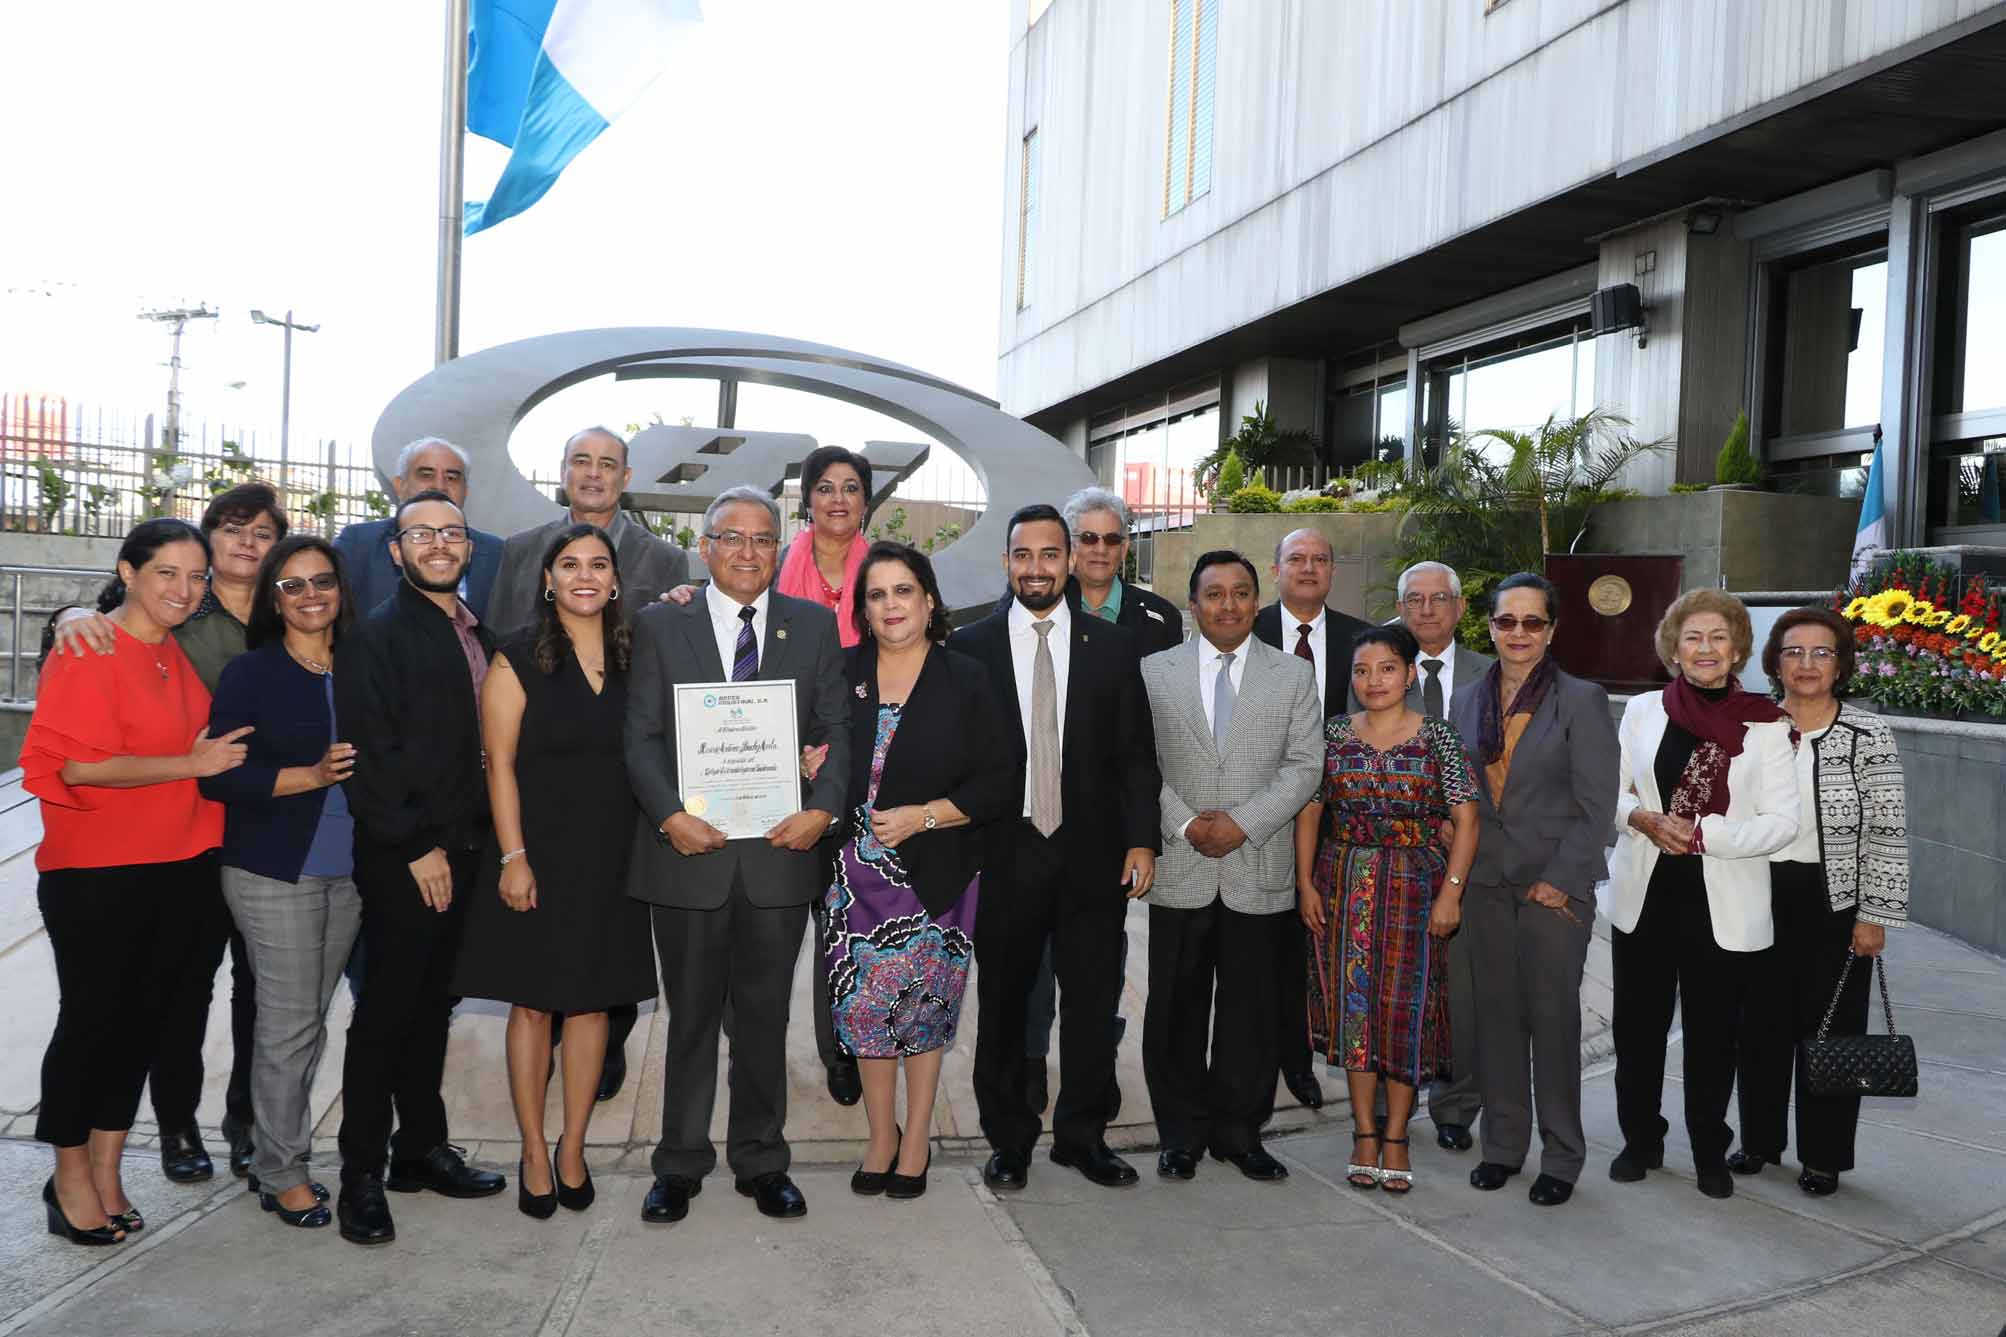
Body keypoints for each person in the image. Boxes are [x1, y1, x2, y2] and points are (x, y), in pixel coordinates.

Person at [44, 482, 289, 1183]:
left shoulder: (289, 611)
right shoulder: (164, 620)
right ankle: (164, 1133)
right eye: (232, 529)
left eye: (262, 531)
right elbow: (97, 644)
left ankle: (223, 1131)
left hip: (232, 838)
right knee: (150, 1004)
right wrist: (68, 615)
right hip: (128, 854)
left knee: (234, 996)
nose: (247, 543)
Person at [624, 486, 850, 1226]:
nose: (747, 552)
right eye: (732, 537)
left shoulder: (813, 625)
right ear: (706, 546)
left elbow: (836, 730)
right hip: (688, 856)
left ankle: (761, 1160)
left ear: (779, 547)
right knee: (689, 1018)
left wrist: (822, 810)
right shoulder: (661, 623)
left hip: (780, 855)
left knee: (762, 1018)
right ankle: (679, 1163)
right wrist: (669, 817)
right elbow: (641, 736)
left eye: (762, 538)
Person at [21, 519, 245, 1245]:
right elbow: (79, 766)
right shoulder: (89, 648)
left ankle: (107, 1170)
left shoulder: (171, 651)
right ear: (128, 572)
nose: (185, 588)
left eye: (196, 575)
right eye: (167, 573)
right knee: (92, 1025)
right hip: (99, 872)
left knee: (143, 1026)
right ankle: (68, 1177)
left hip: (181, 865)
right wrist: (191, 765)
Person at [953, 504, 1160, 1193]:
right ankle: (1008, 1140)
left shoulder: (1114, 647)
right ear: (1006, 562)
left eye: (1049, 554)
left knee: (1093, 1004)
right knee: (1006, 1006)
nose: (1035, 568)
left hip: (1092, 857)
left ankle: (1081, 1137)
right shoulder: (970, 647)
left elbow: (1135, 755)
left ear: (1070, 561)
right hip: (1004, 856)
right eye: (1023, 555)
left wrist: (1142, 840)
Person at [453, 525, 658, 1219]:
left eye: (599, 564)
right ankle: (534, 1150)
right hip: (536, 856)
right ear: (548, 579)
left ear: (616, 579)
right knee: (535, 1004)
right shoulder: (515, 656)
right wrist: (513, 858)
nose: (585, 575)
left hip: (614, 857)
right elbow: (498, 767)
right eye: (569, 564)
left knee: (594, 1003)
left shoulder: (636, 655)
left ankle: (573, 1145)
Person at [492, 426, 693, 1104]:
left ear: (626, 476)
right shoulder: (519, 550)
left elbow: (673, 674)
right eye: (581, 459)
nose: (593, 473)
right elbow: (497, 648)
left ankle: (603, 1054)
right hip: (542, 789)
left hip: (617, 804)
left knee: (605, 975)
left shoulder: (666, 560)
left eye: (608, 463)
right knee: (536, 986)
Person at [332, 490, 508, 1246]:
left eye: (452, 532)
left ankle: (419, 1150)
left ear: (468, 546)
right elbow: (370, 755)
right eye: (421, 533)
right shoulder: (377, 636)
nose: (439, 543)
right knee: (385, 1014)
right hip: (408, 856)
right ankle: (360, 1175)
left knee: (432, 1007)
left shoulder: (475, 630)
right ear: (396, 550)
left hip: (466, 850)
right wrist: (414, 847)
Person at [826, 542, 1014, 1200]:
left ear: (929, 600)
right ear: (862, 609)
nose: (891, 605)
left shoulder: (966, 676)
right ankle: (882, 1135)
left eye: (903, 590)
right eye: (876, 595)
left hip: (937, 872)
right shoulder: (841, 672)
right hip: (851, 876)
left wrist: (924, 817)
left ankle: (917, 1140)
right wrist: (809, 762)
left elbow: (999, 780)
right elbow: (817, 749)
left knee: (922, 1011)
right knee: (865, 1011)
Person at [1608, 589, 1798, 1201]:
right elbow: (1609, 792)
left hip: (1722, 903)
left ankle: (1709, 1152)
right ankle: (1641, 1140)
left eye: (1719, 637)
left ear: (1738, 648)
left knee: (1714, 1040)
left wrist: (1703, 835)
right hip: (1644, 898)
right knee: (1637, 1032)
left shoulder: (1767, 725)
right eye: (1693, 637)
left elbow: (1783, 822)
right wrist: (1640, 819)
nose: (1706, 648)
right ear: (1674, 648)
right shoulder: (1643, 711)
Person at [1140, 551, 1322, 1183]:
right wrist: (1187, 824)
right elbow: (1137, 761)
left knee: (1253, 1010)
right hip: (1180, 864)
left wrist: (1242, 823)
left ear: (1256, 600)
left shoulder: (1292, 675)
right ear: (1193, 604)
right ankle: (1180, 1135)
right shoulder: (1154, 672)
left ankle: (1240, 1134)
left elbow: (1305, 765)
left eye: (1240, 592)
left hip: (1258, 865)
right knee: (1175, 1010)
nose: (1228, 605)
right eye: (1213, 594)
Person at [199, 535, 362, 1229]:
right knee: (290, 1025)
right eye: (291, 585)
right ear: (274, 598)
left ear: (341, 589)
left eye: (320, 581)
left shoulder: (362, 664)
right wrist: (311, 776)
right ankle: (281, 1171)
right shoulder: (252, 672)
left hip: (351, 872)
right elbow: (220, 777)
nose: (309, 595)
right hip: (274, 870)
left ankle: (279, 1151)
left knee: (309, 1021)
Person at [1447, 572, 1618, 1207]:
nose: (1518, 633)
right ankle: (1502, 1146)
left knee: (1552, 1024)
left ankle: (1563, 1155)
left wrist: (1561, 880)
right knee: (1495, 1021)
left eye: (1532, 622)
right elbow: (1461, 794)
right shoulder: (1467, 700)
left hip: (1555, 889)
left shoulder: (1582, 699)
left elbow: (1597, 806)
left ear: (1552, 630)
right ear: (1490, 626)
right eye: (1506, 621)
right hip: (1485, 883)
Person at [1729, 606, 1908, 1198]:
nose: (1806, 664)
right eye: (1794, 652)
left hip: (1836, 903)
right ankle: (1759, 1141)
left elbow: (1887, 830)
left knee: (1833, 1030)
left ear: (1841, 664)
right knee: (1758, 1027)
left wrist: (1874, 915)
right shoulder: (1751, 725)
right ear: (1775, 662)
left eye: (1821, 652)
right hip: (1758, 892)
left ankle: (1824, 1155)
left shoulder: (1868, 734)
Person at [1019, 487, 1183, 1121]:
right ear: (1066, 546)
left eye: (1112, 539)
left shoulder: (1158, 621)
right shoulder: (1031, 608)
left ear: (1125, 547)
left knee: (1100, 963)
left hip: (1107, 824)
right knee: (1032, 959)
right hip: (1034, 817)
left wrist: (1143, 831)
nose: (1098, 550)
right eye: (1086, 538)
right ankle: (1031, 1059)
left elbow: (1150, 736)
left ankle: (1094, 1063)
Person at [1298, 625, 1479, 1193]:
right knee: (1354, 1006)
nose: (1373, 681)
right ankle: (1362, 1131)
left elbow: (1467, 819)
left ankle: (1397, 1134)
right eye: (1361, 670)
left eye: (1386, 668)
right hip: (1343, 882)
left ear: (1408, 674)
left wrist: (1452, 892)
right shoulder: (1331, 734)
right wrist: (1304, 883)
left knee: (1406, 1010)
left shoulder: (1438, 737)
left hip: (1417, 889)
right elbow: (1310, 809)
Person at [1353, 559, 1493, 1153]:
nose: (1427, 609)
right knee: (1387, 990)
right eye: (1415, 599)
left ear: (1460, 608)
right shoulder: (1374, 671)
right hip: (1389, 866)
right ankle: (1387, 1114)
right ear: (1400, 608)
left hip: (1470, 858)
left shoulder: (1491, 673)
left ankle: (1455, 1107)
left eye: (1439, 598)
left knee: (1458, 992)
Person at [1255, 526, 1373, 1111]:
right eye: (1296, 558)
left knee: (1316, 947)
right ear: (1276, 569)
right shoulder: (1245, 630)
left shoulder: (1362, 641)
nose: (1308, 568)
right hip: (1258, 816)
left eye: (1320, 559)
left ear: (1332, 571)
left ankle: (1300, 1061)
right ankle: (1258, 1057)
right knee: (1262, 951)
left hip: (1338, 823)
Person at [334, 436, 504, 618]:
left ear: (466, 491)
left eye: (451, 477)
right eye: (426, 475)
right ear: (400, 486)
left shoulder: (497, 553)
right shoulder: (358, 544)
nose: (439, 486)